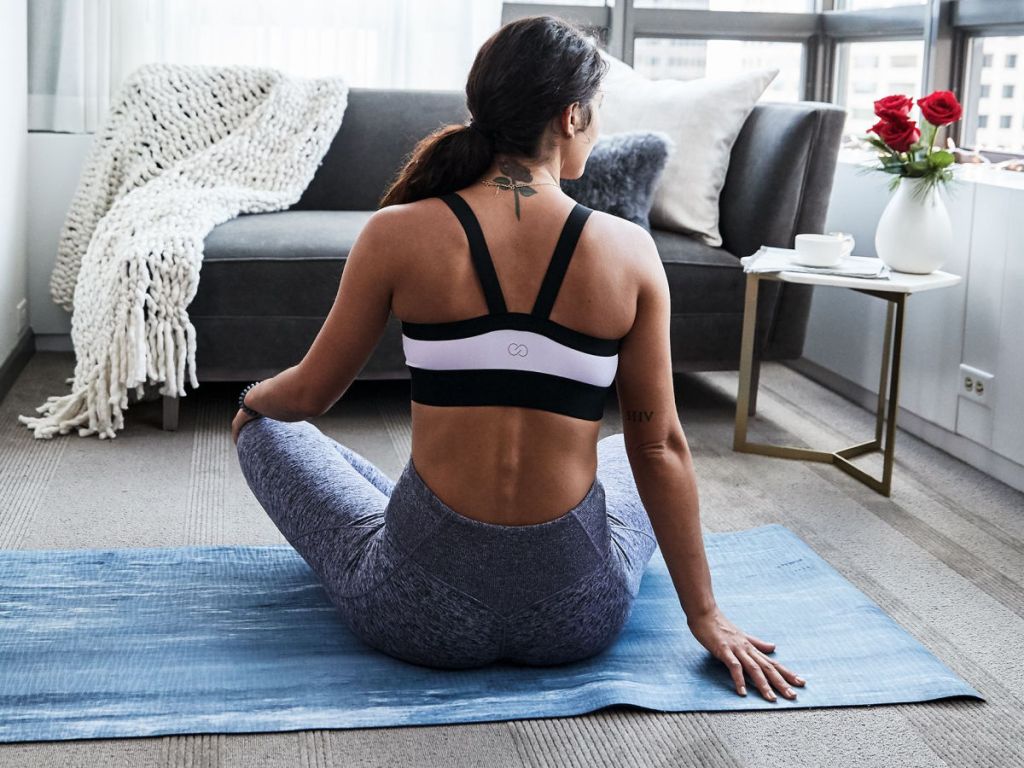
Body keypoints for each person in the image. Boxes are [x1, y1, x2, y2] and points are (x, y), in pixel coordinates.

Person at [232, 15, 804, 702]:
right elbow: (663, 449)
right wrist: (705, 617)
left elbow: (309, 396)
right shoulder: (628, 251)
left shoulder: (396, 233)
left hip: (414, 612)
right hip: (576, 620)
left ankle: (409, 518)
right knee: (637, 448)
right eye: (595, 115)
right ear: (571, 115)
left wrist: (254, 399)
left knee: (268, 429)